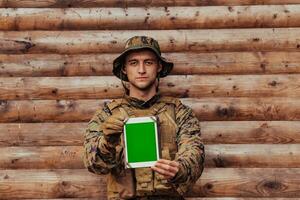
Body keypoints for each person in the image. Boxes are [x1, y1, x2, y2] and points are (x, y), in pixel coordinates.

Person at [83, 36, 205, 200]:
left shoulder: (179, 112)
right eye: (134, 63)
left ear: (159, 66)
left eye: (148, 62)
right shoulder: (107, 114)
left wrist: (180, 169)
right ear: (125, 68)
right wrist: (107, 141)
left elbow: (194, 153)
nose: (141, 70)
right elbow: (94, 165)